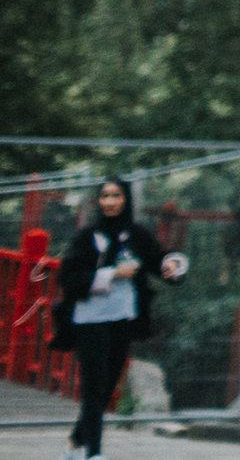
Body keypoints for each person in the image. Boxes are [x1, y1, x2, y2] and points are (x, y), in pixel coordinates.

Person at [50, 179, 185, 460]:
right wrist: (112, 274)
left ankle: (74, 444)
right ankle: (94, 452)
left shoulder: (136, 235)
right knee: (94, 384)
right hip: (89, 319)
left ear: (126, 200)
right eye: (105, 196)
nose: (110, 202)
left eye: (116, 196)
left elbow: (157, 261)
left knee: (108, 386)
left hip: (122, 318)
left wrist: (171, 266)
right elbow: (69, 278)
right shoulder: (88, 237)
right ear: (98, 201)